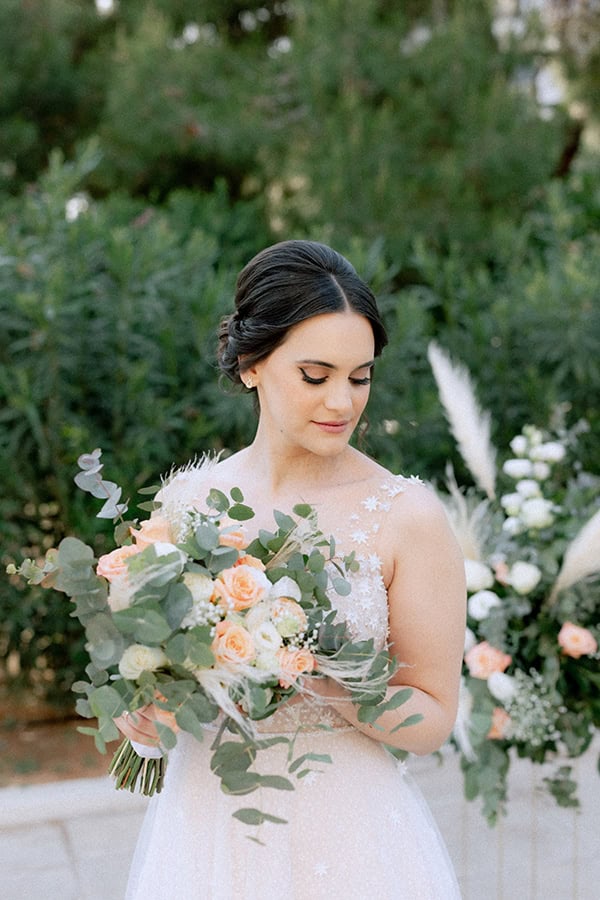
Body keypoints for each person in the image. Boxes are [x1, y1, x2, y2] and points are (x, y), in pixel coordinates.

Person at [119, 240, 466, 899]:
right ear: (251, 365)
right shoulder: (186, 505)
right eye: (316, 375)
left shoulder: (407, 518)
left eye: (359, 377)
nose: (342, 401)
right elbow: (162, 689)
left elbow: (431, 716)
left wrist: (306, 674)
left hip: (348, 837)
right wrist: (146, 718)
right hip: (205, 828)